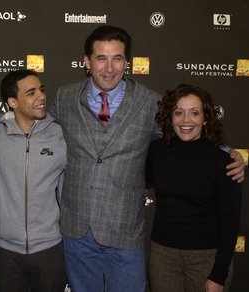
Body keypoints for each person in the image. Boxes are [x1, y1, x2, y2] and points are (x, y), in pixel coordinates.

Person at [51, 25, 245, 291]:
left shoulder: (150, 103)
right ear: (86, 62)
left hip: (125, 231)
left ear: (127, 63)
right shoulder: (65, 97)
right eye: (101, 58)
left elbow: (184, 134)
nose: (109, 67)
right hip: (76, 230)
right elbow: (40, 131)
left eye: (117, 58)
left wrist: (227, 152)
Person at [146, 84, 242, 292]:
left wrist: (219, 275)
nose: (186, 121)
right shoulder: (157, 151)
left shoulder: (224, 162)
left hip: (207, 259)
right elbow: (135, 179)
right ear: (170, 117)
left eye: (194, 113)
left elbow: (231, 223)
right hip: (163, 256)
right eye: (179, 112)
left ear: (206, 118)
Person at [0, 69, 67, 292]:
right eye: (31, 93)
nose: (41, 97)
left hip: (50, 247)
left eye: (41, 90)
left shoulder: (60, 135)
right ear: (12, 102)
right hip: (5, 250)